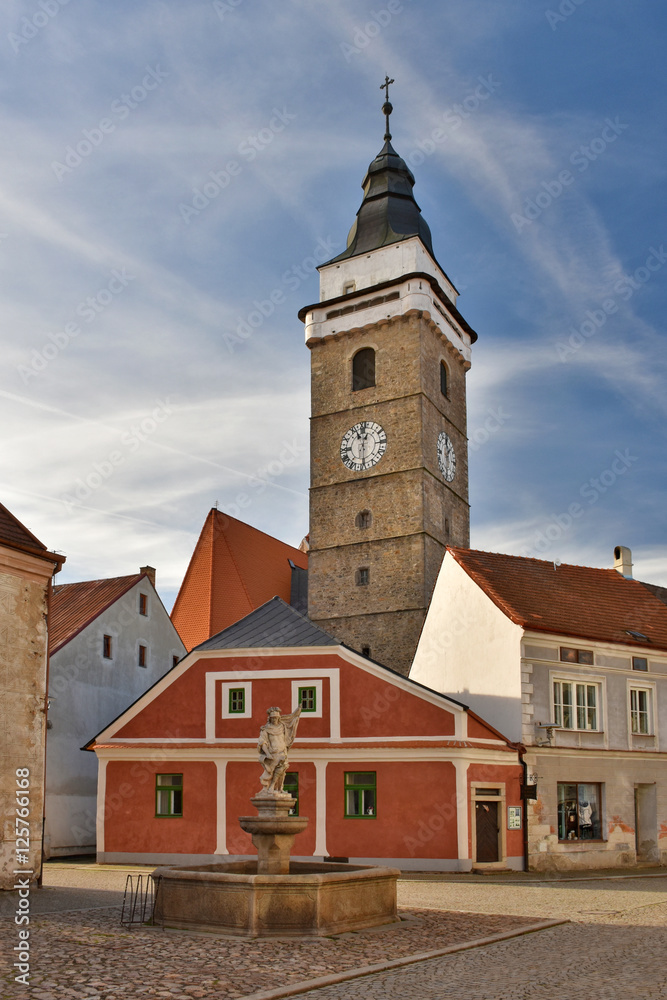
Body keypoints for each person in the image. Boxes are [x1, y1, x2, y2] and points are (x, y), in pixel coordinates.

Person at [257, 705, 301, 793]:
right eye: (272, 718)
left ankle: (279, 788)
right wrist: (267, 753)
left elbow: (291, 719)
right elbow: (262, 742)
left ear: (278, 718)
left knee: (282, 770)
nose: (274, 720)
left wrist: (298, 711)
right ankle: (271, 786)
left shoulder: (282, 727)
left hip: (282, 752)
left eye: (276, 718)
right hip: (273, 753)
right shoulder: (266, 729)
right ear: (270, 718)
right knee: (274, 771)